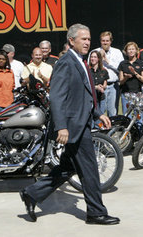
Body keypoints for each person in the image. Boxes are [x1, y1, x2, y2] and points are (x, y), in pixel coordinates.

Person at [19, 23, 119, 225]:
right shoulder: (66, 62)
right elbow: (57, 97)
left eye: (89, 39)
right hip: (73, 126)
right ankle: (96, 212)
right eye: (83, 39)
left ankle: (31, 193)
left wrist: (98, 114)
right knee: (90, 168)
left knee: (67, 167)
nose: (88, 42)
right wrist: (62, 127)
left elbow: (84, 93)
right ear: (71, 41)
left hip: (81, 121)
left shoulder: (81, 61)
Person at [97, 31, 124, 117]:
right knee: (99, 111)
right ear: (100, 41)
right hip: (99, 86)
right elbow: (90, 69)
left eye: (107, 41)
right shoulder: (95, 52)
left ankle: (112, 130)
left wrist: (107, 61)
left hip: (113, 86)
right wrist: (99, 59)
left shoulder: (117, 52)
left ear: (111, 41)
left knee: (112, 112)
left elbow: (121, 68)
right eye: (103, 40)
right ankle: (99, 130)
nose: (105, 43)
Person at [118, 42, 143, 114]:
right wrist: (126, 77)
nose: (131, 51)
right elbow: (120, 82)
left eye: (133, 49)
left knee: (138, 116)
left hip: (138, 93)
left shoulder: (141, 63)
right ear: (126, 51)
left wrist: (135, 73)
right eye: (129, 49)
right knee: (127, 115)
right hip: (126, 94)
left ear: (136, 51)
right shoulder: (122, 64)